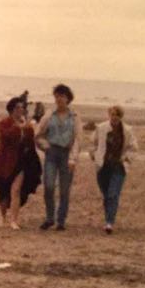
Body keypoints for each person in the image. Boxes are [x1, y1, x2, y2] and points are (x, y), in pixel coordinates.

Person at [0, 97, 42, 230]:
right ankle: (2, 216)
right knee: (3, 190)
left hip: (21, 161)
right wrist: (18, 127)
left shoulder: (26, 124)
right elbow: (6, 136)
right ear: (11, 109)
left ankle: (14, 220)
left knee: (16, 190)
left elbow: (30, 142)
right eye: (17, 108)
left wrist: (27, 130)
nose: (20, 110)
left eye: (22, 108)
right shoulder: (4, 123)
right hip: (5, 161)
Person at [35, 84, 82, 231]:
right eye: (56, 96)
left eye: (62, 96)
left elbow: (78, 139)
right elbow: (38, 133)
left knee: (64, 189)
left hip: (66, 154)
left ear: (68, 98)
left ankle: (61, 220)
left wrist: (73, 158)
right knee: (48, 186)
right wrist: (45, 145)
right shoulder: (49, 115)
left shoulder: (74, 117)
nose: (59, 99)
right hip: (52, 152)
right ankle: (50, 217)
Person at [89, 105, 139, 234]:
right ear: (109, 115)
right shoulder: (101, 128)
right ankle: (108, 218)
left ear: (120, 117)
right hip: (103, 166)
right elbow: (92, 143)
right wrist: (94, 154)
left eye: (117, 115)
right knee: (106, 194)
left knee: (113, 193)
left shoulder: (127, 130)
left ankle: (109, 222)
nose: (114, 117)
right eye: (112, 114)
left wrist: (126, 158)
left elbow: (133, 147)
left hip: (118, 166)